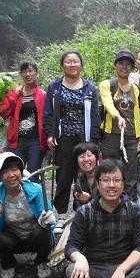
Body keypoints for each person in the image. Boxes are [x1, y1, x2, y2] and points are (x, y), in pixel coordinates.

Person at [43, 50, 100, 215]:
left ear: (81, 65)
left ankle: (82, 211)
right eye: (68, 61)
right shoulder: (55, 87)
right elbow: (48, 113)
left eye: (76, 61)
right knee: (63, 176)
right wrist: (50, 134)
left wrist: (93, 142)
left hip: (84, 138)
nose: (72, 64)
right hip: (63, 138)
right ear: (62, 65)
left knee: (86, 175)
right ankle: (61, 213)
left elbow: (95, 116)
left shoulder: (90, 89)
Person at [0, 153, 56, 278]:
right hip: (13, 240)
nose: (11, 175)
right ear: (0, 176)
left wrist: (47, 219)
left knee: (44, 231)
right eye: (5, 171)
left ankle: (41, 261)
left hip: (34, 237)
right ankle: (8, 264)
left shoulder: (35, 190)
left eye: (14, 169)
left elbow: (48, 220)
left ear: (21, 172)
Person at [98, 50, 140, 200]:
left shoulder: (136, 89)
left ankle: (129, 204)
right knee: (109, 171)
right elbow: (107, 103)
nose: (124, 67)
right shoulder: (107, 84)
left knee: (132, 173)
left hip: (131, 137)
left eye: (128, 64)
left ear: (132, 68)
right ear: (115, 65)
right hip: (111, 135)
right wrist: (117, 116)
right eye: (121, 63)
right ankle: (108, 202)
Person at [0, 61, 46, 181]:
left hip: (36, 141)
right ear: (21, 74)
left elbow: (48, 119)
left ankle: (32, 194)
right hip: (17, 141)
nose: (27, 74)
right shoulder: (14, 93)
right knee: (15, 174)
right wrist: (15, 95)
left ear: (36, 73)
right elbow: (3, 113)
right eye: (24, 72)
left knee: (33, 175)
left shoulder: (43, 95)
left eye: (30, 71)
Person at [71, 141, 100, 210]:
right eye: (82, 156)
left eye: (89, 155)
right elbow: (76, 207)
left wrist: (89, 198)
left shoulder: (106, 176)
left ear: (96, 158)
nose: (86, 159)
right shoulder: (79, 180)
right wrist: (81, 200)